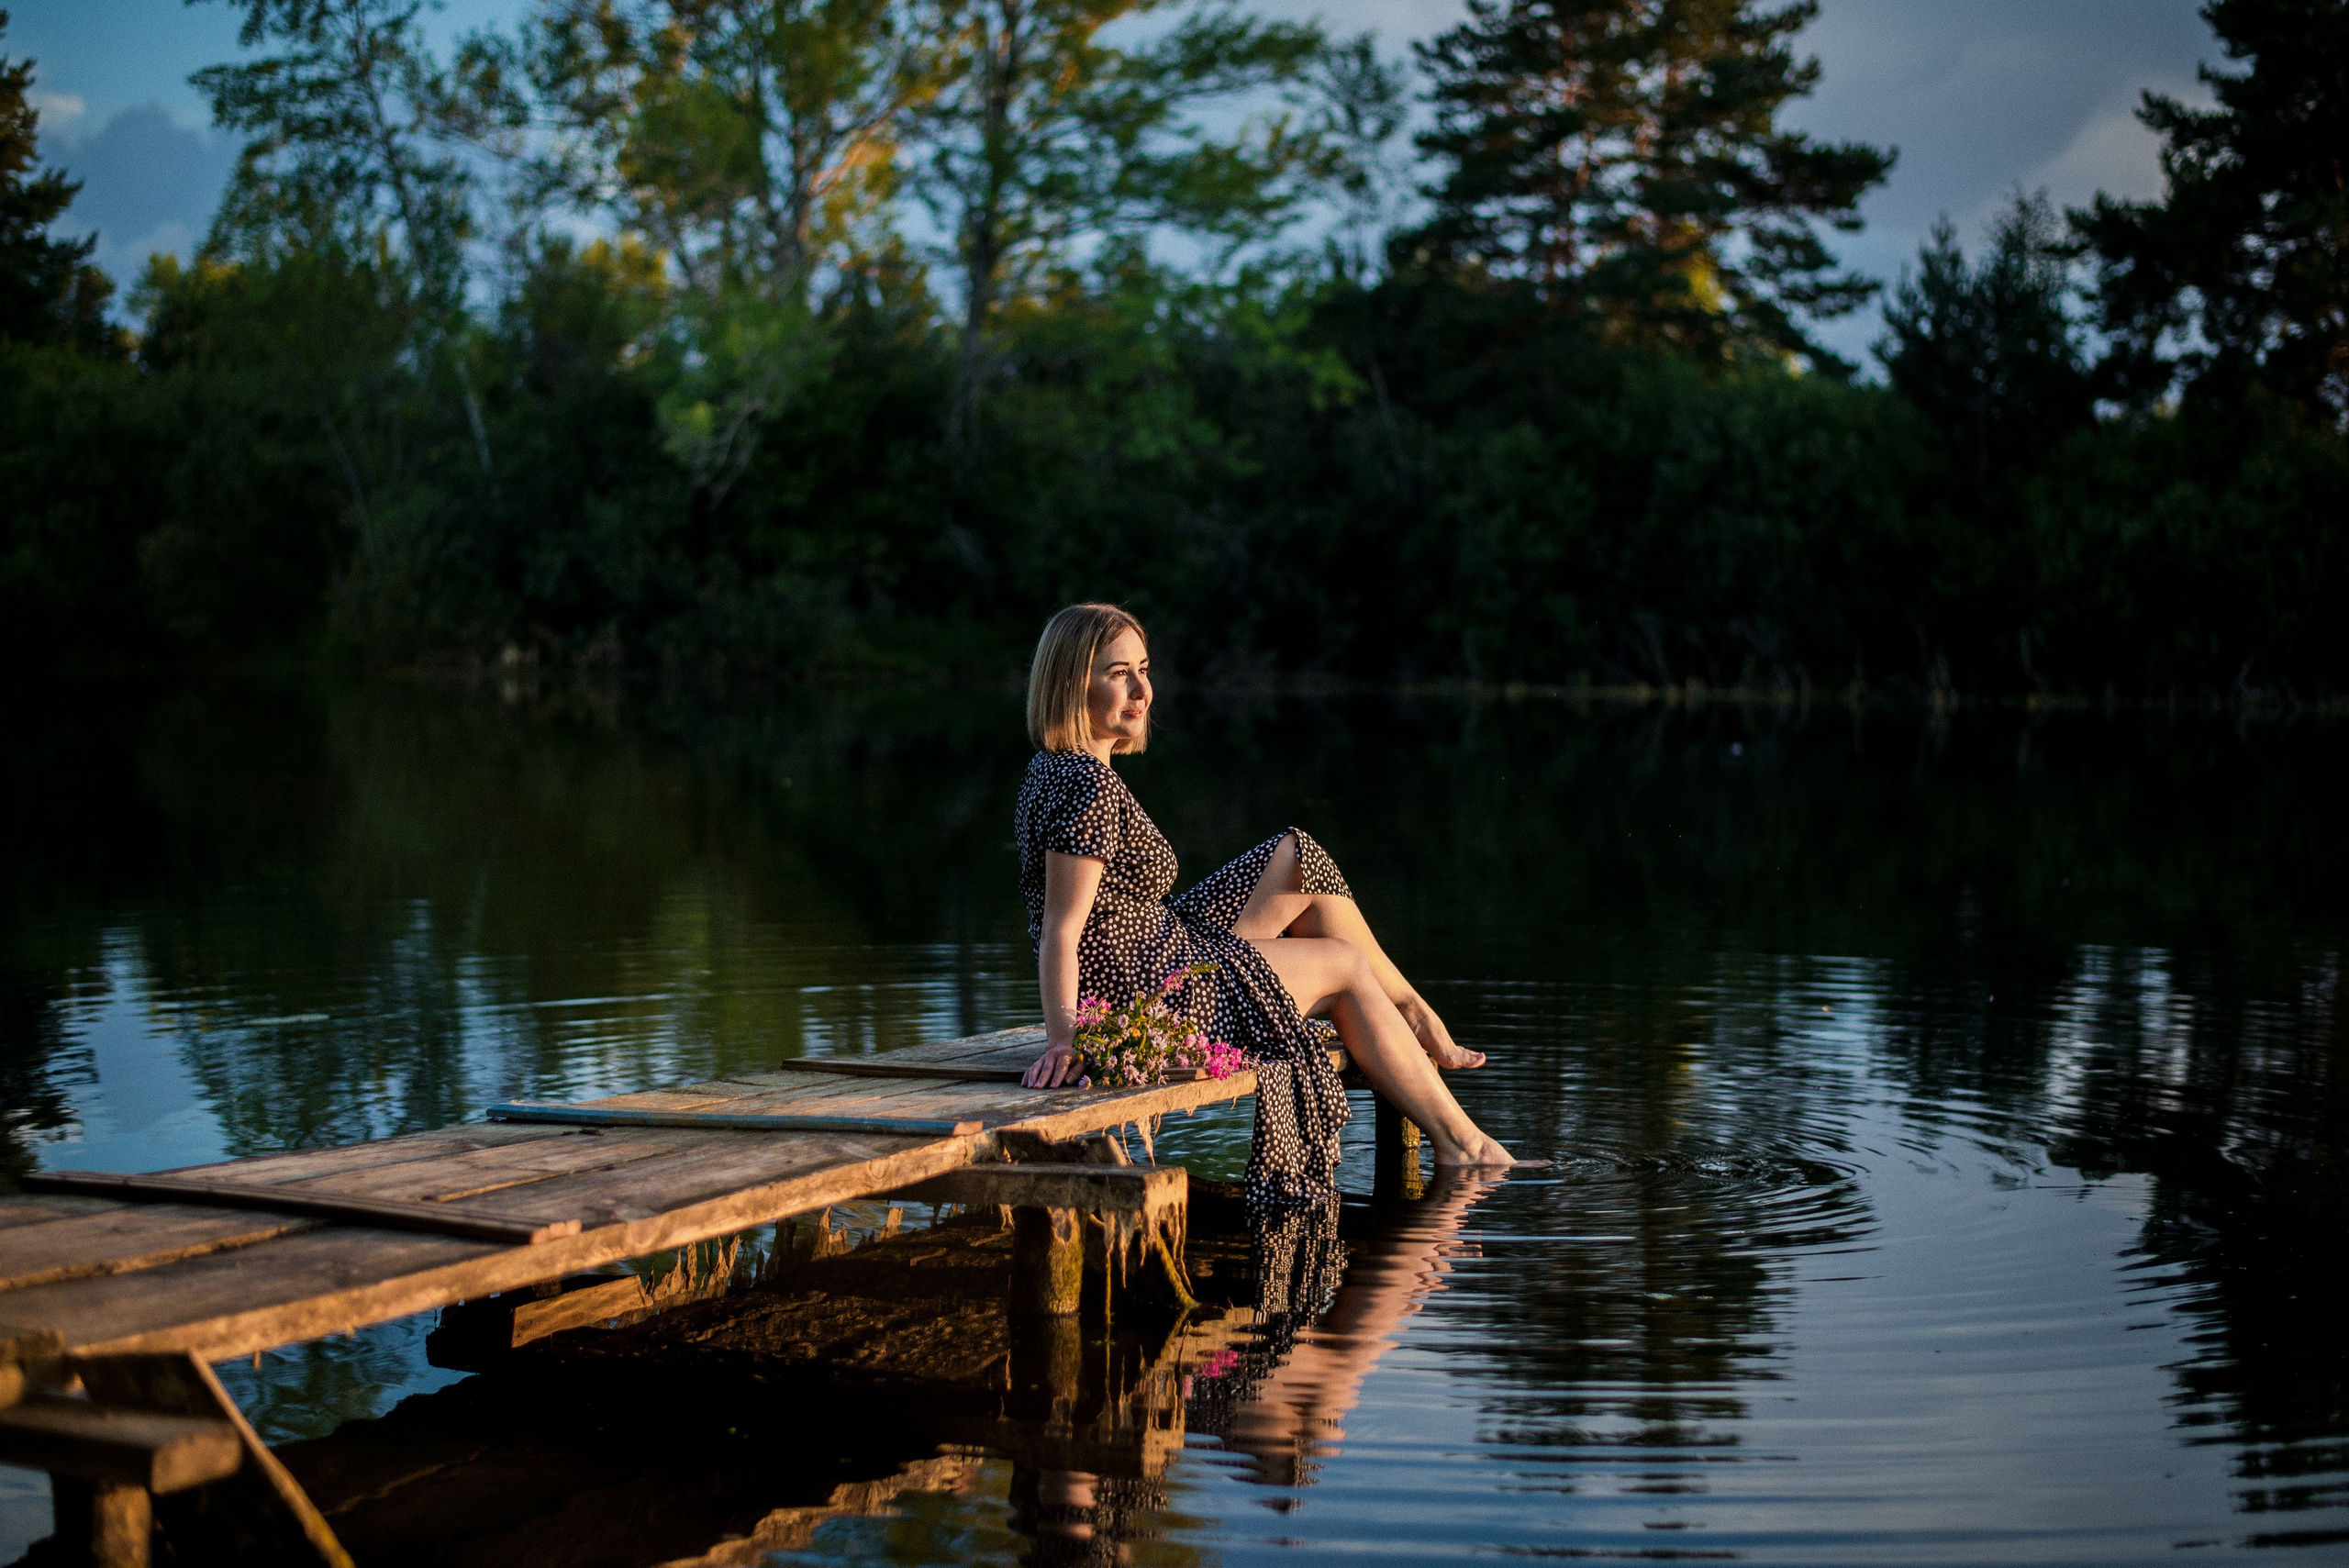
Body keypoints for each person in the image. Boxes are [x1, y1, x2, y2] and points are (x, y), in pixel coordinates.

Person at [1015, 602, 1517, 1209]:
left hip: (1158, 952)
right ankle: (1464, 1143)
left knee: (1295, 857)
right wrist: (1066, 1038)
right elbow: (1060, 931)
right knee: (1341, 964)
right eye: (1119, 673)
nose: (1143, 689)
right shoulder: (1086, 786)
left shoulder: (1059, 770)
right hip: (1153, 995)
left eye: (1144, 668)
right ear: (1073, 681)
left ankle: (1410, 1006)